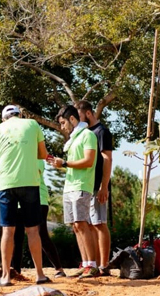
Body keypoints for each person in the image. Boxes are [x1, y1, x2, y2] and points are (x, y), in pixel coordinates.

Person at [0, 104, 50, 286]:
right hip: (30, 182)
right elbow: (43, 154)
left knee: (8, 230)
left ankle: (5, 276)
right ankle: (40, 274)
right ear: (19, 115)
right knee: (33, 230)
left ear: (3, 118)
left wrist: (2, 167)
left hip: (6, 184)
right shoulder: (32, 125)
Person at [48, 104, 99, 277]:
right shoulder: (73, 139)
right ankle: (85, 264)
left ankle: (92, 265)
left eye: (63, 123)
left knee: (82, 224)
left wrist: (65, 163)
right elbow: (71, 166)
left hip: (82, 186)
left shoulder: (88, 135)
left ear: (72, 119)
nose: (62, 127)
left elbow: (88, 161)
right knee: (76, 226)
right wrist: (59, 165)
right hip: (69, 187)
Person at [8, 158, 65, 278]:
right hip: (18, 200)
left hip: (39, 199)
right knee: (17, 236)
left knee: (41, 233)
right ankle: (15, 271)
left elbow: (33, 173)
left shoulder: (36, 156)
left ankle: (59, 268)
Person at [75, 100, 113, 273]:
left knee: (99, 223)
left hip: (98, 185)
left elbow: (107, 159)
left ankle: (104, 265)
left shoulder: (101, 132)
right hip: (87, 185)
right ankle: (94, 265)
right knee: (88, 225)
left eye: (80, 115)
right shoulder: (84, 134)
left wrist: (104, 186)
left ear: (88, 113)